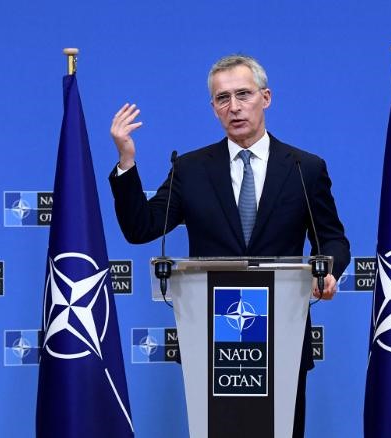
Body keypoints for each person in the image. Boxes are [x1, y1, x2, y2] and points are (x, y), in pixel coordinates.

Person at [108, 54, 350, 437]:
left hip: (281, 332)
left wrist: (328, 271)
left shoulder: (305, 167)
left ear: (265, 97)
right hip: (212, 336)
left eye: (243, 94)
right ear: (213, 108)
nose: (234, 107)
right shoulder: (191, 169)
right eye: (223, 99)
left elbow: (332, 238)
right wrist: (126, 161)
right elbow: (141, 228)